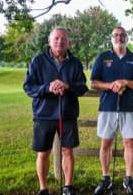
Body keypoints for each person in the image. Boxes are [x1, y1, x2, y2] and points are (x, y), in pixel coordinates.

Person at [24, 27, 89, 195]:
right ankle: (43, 188)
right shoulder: (38, 61)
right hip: (43, 114)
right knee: (43, 152)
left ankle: (68, 187)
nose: (60, 41)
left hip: (67, 114)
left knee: (67, 151)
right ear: (49, 41)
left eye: (63, 39)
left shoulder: (75, 63)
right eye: (56, 38)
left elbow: (82, 87)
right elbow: (28, 87)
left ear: (69, 43)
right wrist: (48, 87)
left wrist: (67, 86)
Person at [89, 27, 133, 195]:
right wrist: (112, 86)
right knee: (106, 143)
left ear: (127, 38)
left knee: (129, 142)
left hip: (129, 108)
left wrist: (126, 82)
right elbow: (93, 83)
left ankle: (128, 178)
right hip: (107, 107)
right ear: (111, 38)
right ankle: (105, 178)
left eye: (123, 35)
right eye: (116, 35)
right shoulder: (102, 57)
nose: (119, 38)